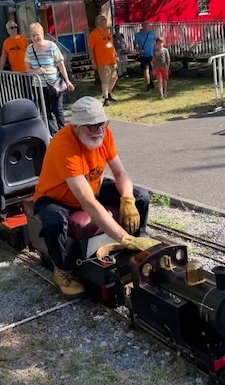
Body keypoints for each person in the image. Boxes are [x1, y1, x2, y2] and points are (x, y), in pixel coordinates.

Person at [34, 96, 159, 296]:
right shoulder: (64, 147)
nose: (99, 131)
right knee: (55, 224)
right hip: (56, 198)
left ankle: (138, 243)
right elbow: (87, 202)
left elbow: (120, 173)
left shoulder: (103, 134)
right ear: (76, 126)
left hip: (91, 188)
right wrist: (122, 236)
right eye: (92, 127)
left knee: (141, 196)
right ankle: (62, 270)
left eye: (102, 124)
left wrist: (127, 198)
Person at [25, 22, 75, 136]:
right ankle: (54, 134)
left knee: (58, 109)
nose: (36, 38)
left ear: (43, 34)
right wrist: (36, 71)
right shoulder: (29, 49)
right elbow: (28, 68)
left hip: (55, 83)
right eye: (33, 35)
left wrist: (67, 81)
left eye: (38, 34)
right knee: (46, 111)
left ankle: (64, 132)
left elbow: (60, 64)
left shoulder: (51, 46)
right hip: (39, 84)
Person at [88, 15, 118, 106]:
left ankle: (109, 94)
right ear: (99, 22)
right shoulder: (93, 34)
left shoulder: (107, 32)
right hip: (102, 61)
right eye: (104, 21)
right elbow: (90, 48)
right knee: (105, 80)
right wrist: (93, 61)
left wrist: (115, 55)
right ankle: (106, 99)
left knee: (114, 77)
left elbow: (111, 44)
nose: (106, 22)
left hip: (111, 59)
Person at [134, 20, 157, 91]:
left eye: (147, 24)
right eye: (144, 24)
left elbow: (157, 41)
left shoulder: (152, 34)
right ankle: (148, 84)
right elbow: (135, 44)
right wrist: (139, 49)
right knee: (145, 70)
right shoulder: (138, 35)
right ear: (142, 25)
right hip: (143, 55)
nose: (146, 25)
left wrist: (156, 49)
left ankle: (151, 81)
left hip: (151, 55)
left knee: (152, 71)